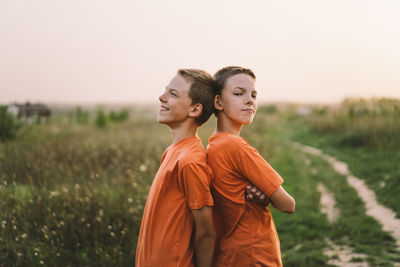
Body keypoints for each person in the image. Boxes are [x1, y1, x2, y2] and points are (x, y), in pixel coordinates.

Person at [207, 66, 296, 267]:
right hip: (255, 253)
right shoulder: (236, 146)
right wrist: (266, 197)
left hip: (231, 253)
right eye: (239, 93)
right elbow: (288, 205)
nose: (250, 100)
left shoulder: (213, 146)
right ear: (218, 102)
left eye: (254, 95)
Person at [135, 69, 216, 267]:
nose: (161, 97)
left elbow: (206, 233)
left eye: (173, 94)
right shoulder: (172, 152)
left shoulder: (191, 161)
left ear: (195, 109)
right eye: (166, 91)